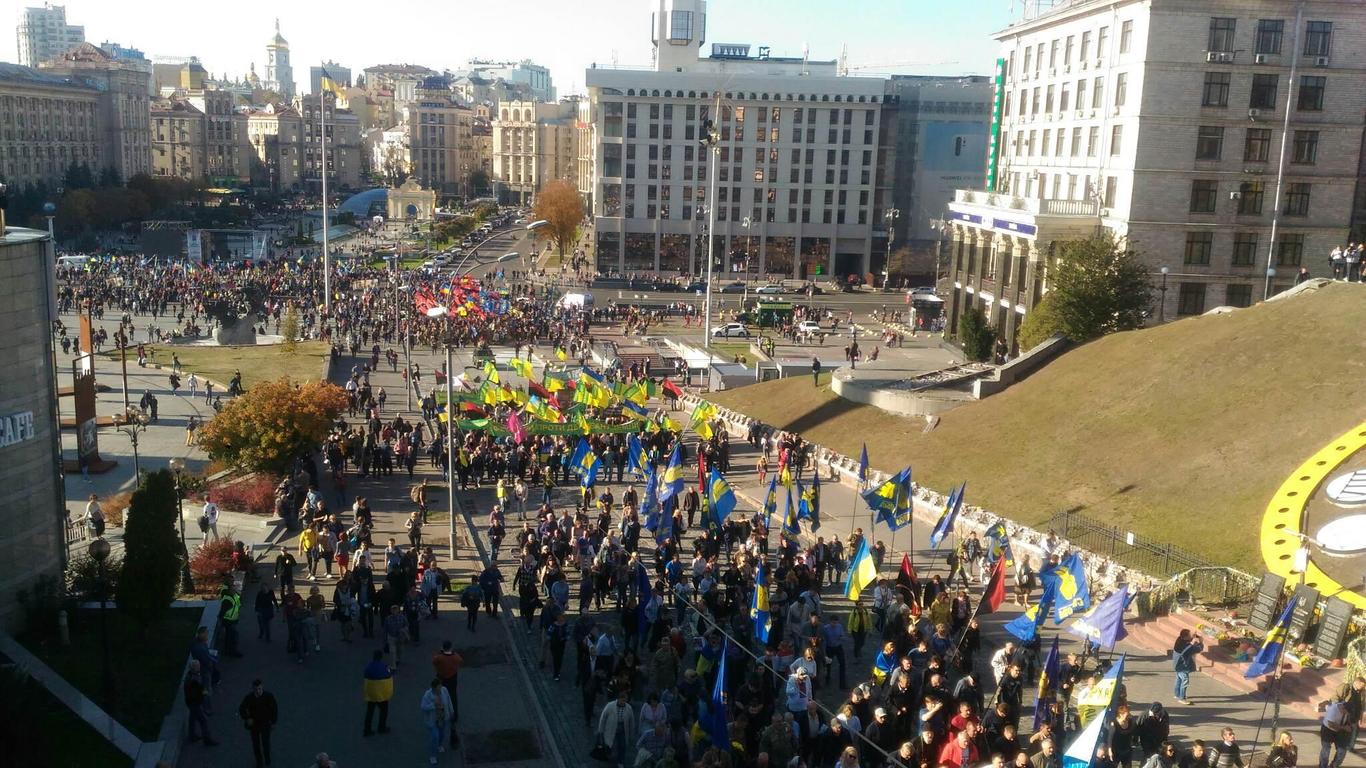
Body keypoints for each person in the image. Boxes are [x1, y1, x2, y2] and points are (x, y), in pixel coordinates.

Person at [237, 678, 278, 768]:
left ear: (262, 687)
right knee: (256, 744)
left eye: (259, 689)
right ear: (253, 689)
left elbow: (274, 709)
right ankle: (259, 761)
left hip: (265, 723)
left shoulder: (268, 696)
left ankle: (267, 758)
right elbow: (241, 708)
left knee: (265, 742)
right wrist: (247, 718)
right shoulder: (249, 698)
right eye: (256, 689)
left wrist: (273, 721)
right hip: (254, 724)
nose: (258, 691)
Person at [432, 640, 463, 746]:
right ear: (451, 647)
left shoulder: (439, 657)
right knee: (453, 696)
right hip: (453, 678)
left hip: (442, 678)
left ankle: (441, 713)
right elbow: (460, 660)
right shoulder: (455, 657)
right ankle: (455, 714)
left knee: (440, 696)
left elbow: (434, 661)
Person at [597, 688, 636, 768]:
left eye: (625, 700)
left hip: (622, 729)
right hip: (611, 728)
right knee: (609, 744)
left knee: (622, 746)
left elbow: (631, 722)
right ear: (618, 699)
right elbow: (603, 718)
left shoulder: (629, 708)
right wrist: (600, 730)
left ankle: (620, 761)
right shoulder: (610, 706)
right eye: (622, 700)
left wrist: (631, 734)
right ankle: (608, 755)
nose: (623, 702)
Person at [183, 659, 218, 747]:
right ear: (194, 668)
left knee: (192, 718)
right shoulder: (194, 680)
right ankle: (207, 739)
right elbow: (197, 693)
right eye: (197, 666)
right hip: (195, 704)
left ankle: (192, 735)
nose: (199, 667)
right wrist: (205, 692)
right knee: (203, 721)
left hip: (191, 703)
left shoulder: (190, 676)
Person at [421, 678, 454, 765]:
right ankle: (432, 756)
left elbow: (449, 700)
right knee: (434, 736)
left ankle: (439, 745)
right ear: (433, 688)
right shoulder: (427, 695)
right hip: (433, 720)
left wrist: (452, 711)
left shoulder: (444, 690)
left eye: (440, 686)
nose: (440, 688)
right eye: (438, 687)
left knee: (442, 734)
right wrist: (433, 705)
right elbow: (423, 706)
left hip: (442, 718)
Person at [363, 649, 394, 736]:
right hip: (381, 693)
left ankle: (367, 729)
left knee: (370, 711)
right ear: (381, 657)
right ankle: (381, 727)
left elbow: (365, 674)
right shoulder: (384, 666)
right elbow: (389, 674)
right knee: (384, 710)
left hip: (372, 693)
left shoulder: (368, 666)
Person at [1320, 696, 1353, 768]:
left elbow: (1349, 719)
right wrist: (1344, 728)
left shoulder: (1346, 708)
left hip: (1339, 731)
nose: (1347, 714)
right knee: (1326, 750)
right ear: (1343, 708)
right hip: (1327, 730)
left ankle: (1334, 766)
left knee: (1342, 751)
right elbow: (1330, 724)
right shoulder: (1333, 710)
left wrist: (1349, 727)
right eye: (1346, 712)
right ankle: (1323, 766)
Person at [1172, 629, 1202, 704]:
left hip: (1177, 665)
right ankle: (1182, 698)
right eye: (1190, 634)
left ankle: (1177, 694)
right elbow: (1198, 649)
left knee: (1178, 679)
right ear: (1186, 637)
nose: (1191, 635)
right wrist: (1201, 642)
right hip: (1183, 666)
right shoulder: (1188, 647)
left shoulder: (1179, 639)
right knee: (1185, 681)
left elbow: (1188, 642)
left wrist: (1192, 638)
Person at [218, 582, 243, 657]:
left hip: (233, 620)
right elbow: (223, 611)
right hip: (229, 621)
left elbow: (238, 603)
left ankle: (228, 650)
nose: (235, 589)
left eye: (235, 588)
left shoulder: (234, 596)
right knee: (233, 637)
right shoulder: (228, 599)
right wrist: (221, 621)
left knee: (230, 636)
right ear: (230, 590)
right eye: (233, 588)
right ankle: (232, 652)